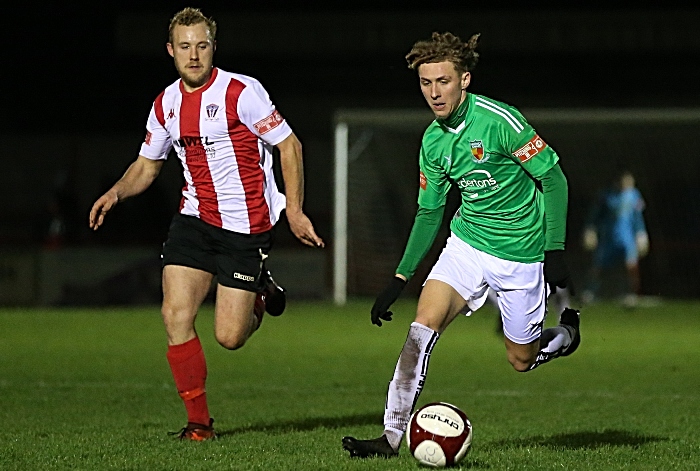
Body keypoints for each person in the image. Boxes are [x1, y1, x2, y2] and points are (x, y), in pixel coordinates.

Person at [89, 7, 324, 441]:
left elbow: (289, 145)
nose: (193, 55)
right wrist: (115, 193)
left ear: (213, 47)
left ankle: (260, 293)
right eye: (184, 47)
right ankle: (199, 424)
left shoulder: (241, 92)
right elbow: (147, 165)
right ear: (170, 51)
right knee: (174, 315)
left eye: (202, 45)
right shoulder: (165, 104)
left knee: (229, 338)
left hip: (245, 226)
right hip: (193, 221)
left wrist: (294, 210)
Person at [342, 31, 580, 458]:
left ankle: (564, 335)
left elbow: (553, 179)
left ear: (465, 79)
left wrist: (555, 250)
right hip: (467, 246)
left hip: (521, 255)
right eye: (425, 83)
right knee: (421, 328)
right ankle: (391, 438)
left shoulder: (500, 121)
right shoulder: (433, 141)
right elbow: (430, 212)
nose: (434, 93)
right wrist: (399, 278)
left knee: (520, 359)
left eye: (443, 82)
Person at [581, 170, 649, 307]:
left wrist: (641, 233)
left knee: (631, 266)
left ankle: (632, 294)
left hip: (627, 238)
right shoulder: (606, 196)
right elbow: (595, 215)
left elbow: (637, 217)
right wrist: (590, 229)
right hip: (608, 238)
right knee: (598, 267)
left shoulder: (634, 196)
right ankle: (590, 292)